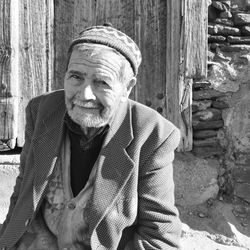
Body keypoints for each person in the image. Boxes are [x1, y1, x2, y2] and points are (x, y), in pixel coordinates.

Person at [0, 24, 181, 250]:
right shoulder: (42, 111)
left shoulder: (153, 134)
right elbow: (23, 193)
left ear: (127, 88)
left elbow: (160, 236)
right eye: (76, 77)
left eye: (102, 82)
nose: (85, 95)